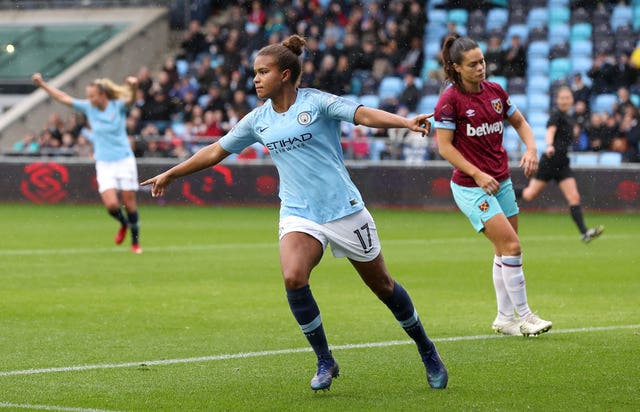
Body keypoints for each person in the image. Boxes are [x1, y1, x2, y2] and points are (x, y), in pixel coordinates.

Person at [141, 34, 448, 392]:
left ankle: (426, 349)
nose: (255, 79)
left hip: (343, 209)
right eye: (254, 72)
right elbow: (215, 150)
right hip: (299, 212)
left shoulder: (316, 102)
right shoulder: (258, 120)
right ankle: (324, 360)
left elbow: (361, 114)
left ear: (285, 74)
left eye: (262, 72)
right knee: (293, 277)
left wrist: (404, 122)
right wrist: (172, 172)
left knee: (383, 286)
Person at [433, 35, 552, 337]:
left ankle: (504, 318)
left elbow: (521, 123)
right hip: (472, 187)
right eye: (472, 64)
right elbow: (445, 147)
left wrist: (531, 149)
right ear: (456, 67)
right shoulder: (449, 101)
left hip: (501, 181)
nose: (480, 68)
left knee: (504, 251)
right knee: (512, 245)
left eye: (482, 61)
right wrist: (476, 174)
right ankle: (525, 316)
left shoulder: (496, 92)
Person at [32, 73, 143, 254]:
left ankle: (135, 242)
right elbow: (63, 98)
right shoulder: (89, 108)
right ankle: (123, 224)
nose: (89, 99)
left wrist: (134, 86)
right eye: (88, 96)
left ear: (102, 95)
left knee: (130, 205)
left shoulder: (117, 106)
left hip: (124, 159)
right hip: (104, 162)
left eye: (92, 96)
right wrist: (43, 85)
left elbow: (131, 98)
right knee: (111, 205)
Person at [518, 87, 604, 243]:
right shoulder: (556, 116)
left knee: (574, 197)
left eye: (567, 98)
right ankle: (501, 193)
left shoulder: (570, 119)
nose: (565, 100)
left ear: (572, 100)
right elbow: (550, 131)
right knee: (529, 195)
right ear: (557, 100)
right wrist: (549, 145)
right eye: (562, 98)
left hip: (563, 163)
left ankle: (584, 233)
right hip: (550, 161)